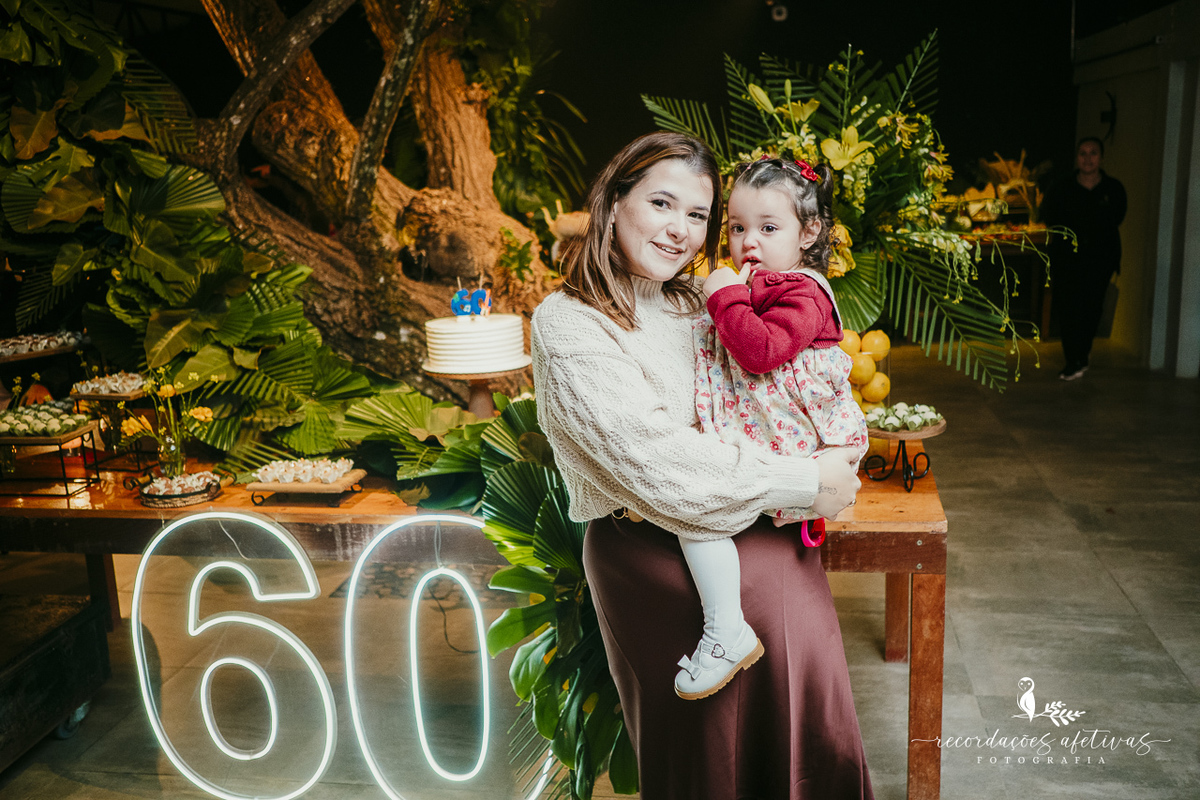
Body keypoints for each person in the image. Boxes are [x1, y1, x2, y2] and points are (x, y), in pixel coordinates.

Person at [531, 132, 873, 799]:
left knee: (811, 730)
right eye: (663, 203)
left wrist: (835, 442)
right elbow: (659, 463)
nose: (680, 230)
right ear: (614, 198)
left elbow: (784, 383)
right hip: (653, 556)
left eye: (698, 216)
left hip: (762, 539)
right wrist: (807, 480)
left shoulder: (698, 300)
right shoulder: (568, 322)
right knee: (706, 761)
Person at [676, 154, 870, 700]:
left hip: (797, 449)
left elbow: (760, 352)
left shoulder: (804, 292)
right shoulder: (759, 285)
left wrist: (722, 295)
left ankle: (724, 632)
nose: (748, 243)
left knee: (697, 512)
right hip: (767, 438)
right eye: (737, 228)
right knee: (697, 510)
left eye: (767, 227)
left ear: (809, 233)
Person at [1041, 136, 1127, 381]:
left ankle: (1082, 354)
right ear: (1076, 158)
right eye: (1083, 153)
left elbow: (1116, 218)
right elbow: (1051, 216)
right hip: (1068, 259)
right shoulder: (1062, 188)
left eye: (1093, 153)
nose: (1088, 159)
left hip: (1101, 259)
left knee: (1091, 307)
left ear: (1101, 157)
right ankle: (1073, 359)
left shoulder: (1113, 189)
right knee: (1069, 308)